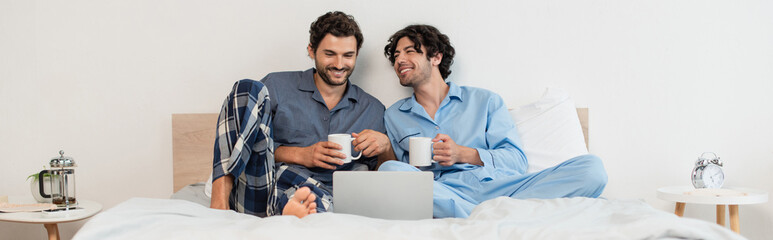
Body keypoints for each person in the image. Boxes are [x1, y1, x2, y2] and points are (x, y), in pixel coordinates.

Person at [379, 24, 608, 218]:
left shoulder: (485, 100)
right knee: (389, 170)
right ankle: (494, 215)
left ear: (436, 57)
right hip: (443, 192)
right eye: (396, 56)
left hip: (503, 189)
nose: (400, 60)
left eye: (409, 51)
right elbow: (405, 178)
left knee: (592, 168)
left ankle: (482, 214)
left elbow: (516, 161)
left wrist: (462, 154)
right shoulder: (394, 115)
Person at [210, 11, 392, 218]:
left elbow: (382, 178)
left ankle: (293, 209)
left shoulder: (373, 109)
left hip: (325, 196)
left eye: (348, 55)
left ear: (356, 54)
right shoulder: (276, 87)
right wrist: (301, 154)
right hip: (262, 189)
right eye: (330, 54)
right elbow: (251, 146)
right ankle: (218, 204)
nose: (340, 64)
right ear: (311, 51)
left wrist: (385, 146)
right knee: (247, 88)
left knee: (318, 200)